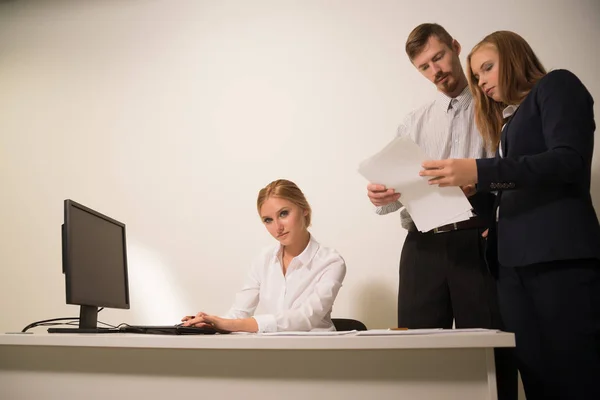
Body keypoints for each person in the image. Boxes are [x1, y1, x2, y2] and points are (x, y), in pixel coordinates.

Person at [420, 30, 600, 400]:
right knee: (535, 376)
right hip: (513, 268)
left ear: (515, 57)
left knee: (577, 370)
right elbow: (518, 182)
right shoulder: (508, 124)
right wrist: (479, 192)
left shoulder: (557, 85)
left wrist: (482, 172)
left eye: (487, 68)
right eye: (477, 76)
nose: (482, 81)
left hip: (558, 259)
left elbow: (568, 160)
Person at [367, 23, 516, 400]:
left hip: (478, 242)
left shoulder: (496, 106)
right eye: (424, 67)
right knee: (416, 357)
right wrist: (383, 195)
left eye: (438, 57)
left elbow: (517, 175)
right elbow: (398, 192)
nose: (435, 70)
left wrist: (480, 182)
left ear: (455, 46)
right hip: (421, 247)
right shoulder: (413, 122)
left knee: (488, 353)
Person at [182, 179, 347, 333]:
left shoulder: (331, 262)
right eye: (268, 220)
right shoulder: (264, 259)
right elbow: (240, 313)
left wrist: (226, 323)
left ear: (304, 209)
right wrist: (209, 322)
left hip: (320, 353)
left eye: (283, 214)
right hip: (273, 353)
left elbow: (306, 317)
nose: (277, 227)